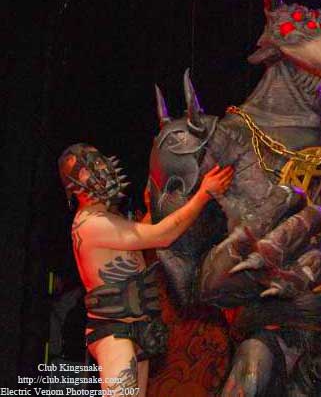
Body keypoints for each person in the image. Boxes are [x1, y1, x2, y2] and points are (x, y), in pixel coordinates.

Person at [58, 143, 232, 397]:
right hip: (115, 333)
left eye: (96, 162)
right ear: (73, 185)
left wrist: (154, 209)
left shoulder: (108, 218)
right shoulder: (91, 224)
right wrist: (203, 194)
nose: (97, 170)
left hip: (137, 331)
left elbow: (138, 240)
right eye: (84, 170)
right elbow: (162, 235)